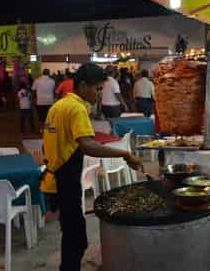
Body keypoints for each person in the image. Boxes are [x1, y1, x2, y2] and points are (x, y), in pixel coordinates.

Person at [41, 63, 143, 271]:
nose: (98, 94)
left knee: (71, 232)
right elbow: (87, 145)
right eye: (97, 89)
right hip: (64, 179)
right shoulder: (76, 108)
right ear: (83, 85)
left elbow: (48, 144)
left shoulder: (58, 106)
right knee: (75, 238)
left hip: (54, 176)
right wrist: (125, 153)